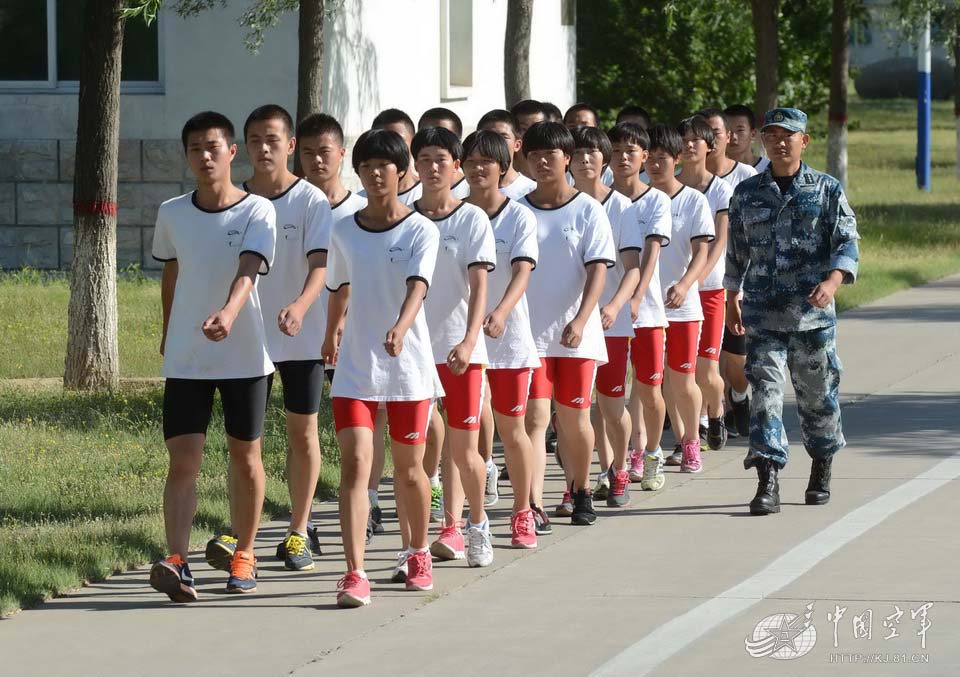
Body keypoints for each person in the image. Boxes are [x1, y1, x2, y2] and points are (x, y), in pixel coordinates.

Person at [149, 111, 276, 601]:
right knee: (183, 461)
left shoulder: (256, 211)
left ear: (231, 153)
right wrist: (168, 332)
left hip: (245, 355)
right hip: (187, 359)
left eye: (213, 147)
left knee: (245, 458)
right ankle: (177, 561)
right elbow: (172, 273)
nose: (204, 156)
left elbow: (250, 267)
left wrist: (229, 311)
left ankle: (244, 553)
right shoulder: (173, 212)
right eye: (195, 149)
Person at [323, 128, 442, 607]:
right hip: (355, 367)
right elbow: (339, 286)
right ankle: (355, 572)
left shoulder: (420, 230)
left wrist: (400, 326)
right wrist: (331, 332)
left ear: (401, 172)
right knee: (355, 465)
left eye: (384, 166)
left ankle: (416, 551)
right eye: (367, 166)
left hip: (407, 367)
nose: (375, 174)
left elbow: (419, 285)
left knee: (410, 470)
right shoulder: (343, 229)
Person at [725, 108, 860, 516]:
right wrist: (732, 291)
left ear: (805, 141)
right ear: (762, 141)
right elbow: (737, 251)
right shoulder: (747, 194)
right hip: (763, 314)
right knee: (765, 393)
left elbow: (847, 242)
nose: (780, 142)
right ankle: (767, 477)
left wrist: (834, 282)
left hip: (811, 316)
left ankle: (821, 463)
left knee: (817, 397)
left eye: (789, 135)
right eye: (772, 135)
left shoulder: (826, 190)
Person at [236, 104, 332, 572]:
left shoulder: (310, 200)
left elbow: (321, 266)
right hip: (246, 342)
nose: (264, 148)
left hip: (300, 338)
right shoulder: (235, 200)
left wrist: (298, 306)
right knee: (244, 443)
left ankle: (299, 530)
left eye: (273, 139)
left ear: (290, 145)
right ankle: (244, 539)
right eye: (255, 139)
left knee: (302, 433)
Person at [521, 121, 615, 528]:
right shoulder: (516, 210)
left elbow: (598, 271)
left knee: (575, 416)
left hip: (577, 334)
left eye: (553, 155)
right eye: (536, 155)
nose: (544, 162)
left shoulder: (588, 210)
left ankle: (580, 489)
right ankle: (532, 502)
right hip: (528, 335)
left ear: (567, 159)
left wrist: (581, 318)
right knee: (535, 418)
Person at [411, 126, 497, 568]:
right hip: (414, 353)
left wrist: (469, 339)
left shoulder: (471, 220)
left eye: (440, 160)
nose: (431, 168)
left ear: (456, 166)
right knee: (421, 446)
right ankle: (424, 539)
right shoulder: (405, 217)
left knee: (465, 451)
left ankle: (474, 527)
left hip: (460, 351)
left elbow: (479, 286)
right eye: (423, 160)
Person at [297, 113, 385, 535]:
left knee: (366, 425)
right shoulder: (293, 204)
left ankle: (367, 500)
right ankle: (306, 520)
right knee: (307, 428)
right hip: (301, 338)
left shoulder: (359, 210)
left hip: (355, 338)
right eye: (308, 152)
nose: (317, 160)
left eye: (325, 152)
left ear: (342, 155)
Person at [463, 129, 541, 548]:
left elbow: (522, 270)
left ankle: (522, 512)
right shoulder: (456, 213)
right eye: (471, 162)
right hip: (464, 339)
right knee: (466, 428)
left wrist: (501, 312)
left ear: (502, 167)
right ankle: (461, 519)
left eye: (486, 163)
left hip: (507, 338)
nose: (478, 170)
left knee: (513, 429)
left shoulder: (519, 215)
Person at [567, 125, 638, 510]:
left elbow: (633, 268)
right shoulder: (555, 204)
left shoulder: (621, 208)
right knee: (573, 412)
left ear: (604, 159)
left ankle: (620, 468)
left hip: (610, 323)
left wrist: (614, 307)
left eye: (591, 154)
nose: (583, 160)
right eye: (576, 154)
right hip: (565, 326)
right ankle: (577, 482)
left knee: (611, 407)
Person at [644, 123, 714, 473]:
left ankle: (691, 440)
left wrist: (686, 284)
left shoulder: (693, 200)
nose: (655, 166)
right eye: (650, 159)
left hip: (682, 306)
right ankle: (643, 450)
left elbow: (703, 250)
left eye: (662, 158)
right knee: (651, 383)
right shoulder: (635, 200)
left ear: (676, 159)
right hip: (643, 309)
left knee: (682, 379)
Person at [607, 122, 670, 491]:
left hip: (645, 312)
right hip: (607, 314)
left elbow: (650, 255)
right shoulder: (600, 200)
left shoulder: (656, 200)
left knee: (648, 389)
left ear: (644, 157)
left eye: (630, 152)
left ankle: (652, 453)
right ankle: (624, 456)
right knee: (613, 392)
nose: (622, 158)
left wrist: (634, 299)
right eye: (615, 152)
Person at [699, 108, 757, 440]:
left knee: (736, 358)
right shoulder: (685, 181)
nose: (711, 139)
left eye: (717, 133)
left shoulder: (745, 176)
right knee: (706, 358)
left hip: (740, 279)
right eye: (702, 133)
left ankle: (738, 395)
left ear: (728, 137)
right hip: (702, 283)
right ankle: (711, 417)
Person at [677, 115, 733, 451]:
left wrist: (694, 280)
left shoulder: (720, 189)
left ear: (708, 146)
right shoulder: (667, 186)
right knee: (680, 374)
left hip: (709, 290)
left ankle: (716, 411)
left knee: (707, 373)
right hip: (674, 294)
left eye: (695, 140)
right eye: (682, 140)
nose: (688, 146)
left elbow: (718, 243)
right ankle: (689, 434)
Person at [478, 109, 537, 200]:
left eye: (503, 137)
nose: (496, 143)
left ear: (517, 145)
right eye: (489, 136)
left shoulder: (532, 191)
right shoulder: (467, 189)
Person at [369, 108, 422, 205]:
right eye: (383, 142)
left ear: (414, 143)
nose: (391, 148)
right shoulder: (362, 202)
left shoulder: (428, 196)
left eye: (398, 140)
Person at [418, 107, 470, 198]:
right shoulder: (410, 189)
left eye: (443, 137)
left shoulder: (471, 189)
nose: (434, 143)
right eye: (427, 136)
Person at [724, 104, 769, 172]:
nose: (733, 137)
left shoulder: (769, 169)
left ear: (753, 134)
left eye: (740, 130)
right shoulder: (713, 171)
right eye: (727, 130)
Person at [509, 99, 547, 179]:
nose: (530, 134)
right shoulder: (502, 169)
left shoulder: (555, 166)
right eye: (523, 129)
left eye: (536, 128)